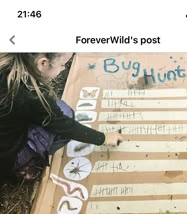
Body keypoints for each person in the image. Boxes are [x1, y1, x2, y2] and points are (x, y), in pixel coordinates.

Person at [0, 53, 123, 182]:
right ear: (43, 63)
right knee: (65, 112)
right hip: (7, 156)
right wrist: (104, 138)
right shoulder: (31, 97)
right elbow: (64, 126)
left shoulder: (6, 66)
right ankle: (24, 164)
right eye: (62, 64)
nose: (64, 68)